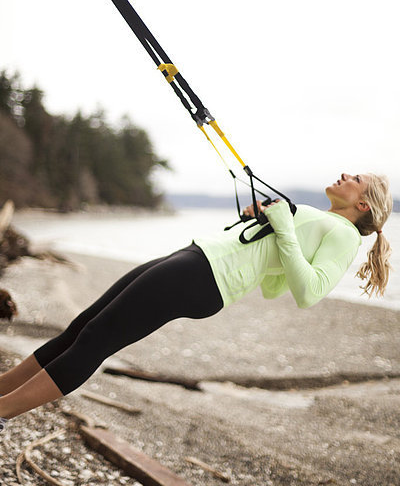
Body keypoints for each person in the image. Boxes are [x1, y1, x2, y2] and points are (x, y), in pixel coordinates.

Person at [0, 172, 393, 431]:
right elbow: (276, 285)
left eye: (356, 179)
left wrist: (284, 227)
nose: (345, 175)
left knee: (93, 340)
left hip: (204, 278)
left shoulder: (342, 234)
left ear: (363, 205)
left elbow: (309, 293)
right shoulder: (323, 220)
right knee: (79, 329)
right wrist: (266, 227)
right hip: (195, 259)